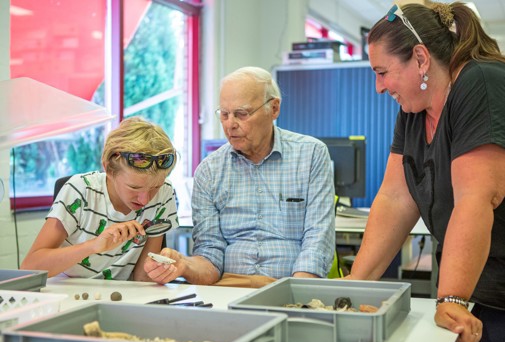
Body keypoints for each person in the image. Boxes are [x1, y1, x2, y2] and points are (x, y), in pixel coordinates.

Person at [345, 2, 505, 342]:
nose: (379, 87)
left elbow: (477, 198)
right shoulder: (413, 112)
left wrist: (451, 297)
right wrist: (355, 285)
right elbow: (395, 199)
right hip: (472, 294)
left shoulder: (482, 82)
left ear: (420, 58)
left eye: (383, 72)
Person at [159, 66, 335, 287]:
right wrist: (185, 265)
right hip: (230, 288)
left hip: (289, 285)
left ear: (274, 108)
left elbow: (317, 241)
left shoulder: (311, 155)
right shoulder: (209, 171)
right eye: (224, 114)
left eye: (242, 114)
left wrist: (296, 296)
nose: (230, 124)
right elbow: (210, 255)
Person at [21, 116, 180, 284]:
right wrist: (93, 246)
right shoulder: (81, 190)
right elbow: (29, 268)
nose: (145, 199)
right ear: (108, 169)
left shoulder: (165, 192)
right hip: (67, 293)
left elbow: (142, 278)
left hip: (121, 297)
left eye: (155, 186)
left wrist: (160, 270)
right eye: (134, 188)